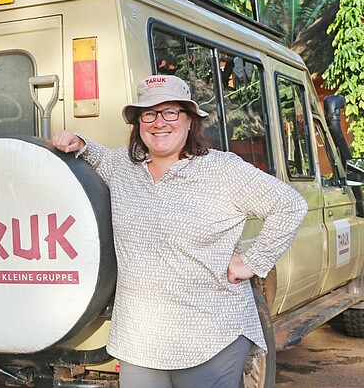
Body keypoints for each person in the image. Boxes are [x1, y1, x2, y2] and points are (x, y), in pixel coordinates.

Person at [52, 74, 307, 388]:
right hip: (140, 339)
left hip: (211, 336)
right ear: (139, 124)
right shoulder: (124, 167)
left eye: (170, 112)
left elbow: (290, 205)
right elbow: (96, 155)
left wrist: (252, 263)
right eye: (149, 114)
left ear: (189, 121)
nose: (159, 122)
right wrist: (78, 142)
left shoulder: (223, 170)